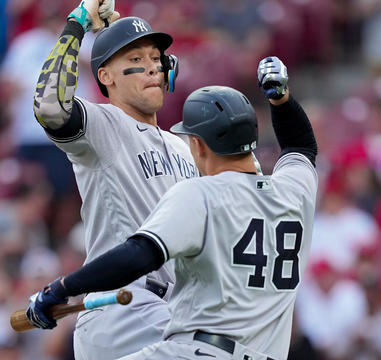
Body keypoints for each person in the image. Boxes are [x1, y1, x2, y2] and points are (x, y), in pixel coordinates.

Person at [27, 56, 318, 360]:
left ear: (198, 145)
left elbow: (138, 255)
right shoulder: (294, 193)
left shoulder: (201, 194)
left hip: (199, 352)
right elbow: (301, 146)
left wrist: (62, 287)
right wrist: (281, 98)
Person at [30, 1, 197, 359]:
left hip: (171, 308)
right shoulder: (105, 126)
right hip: (125, 306)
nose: (152, 67)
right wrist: (77, 25)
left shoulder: (183, 146)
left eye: (156, 58)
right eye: (135, 61)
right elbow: (49, 106)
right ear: (106, 77)